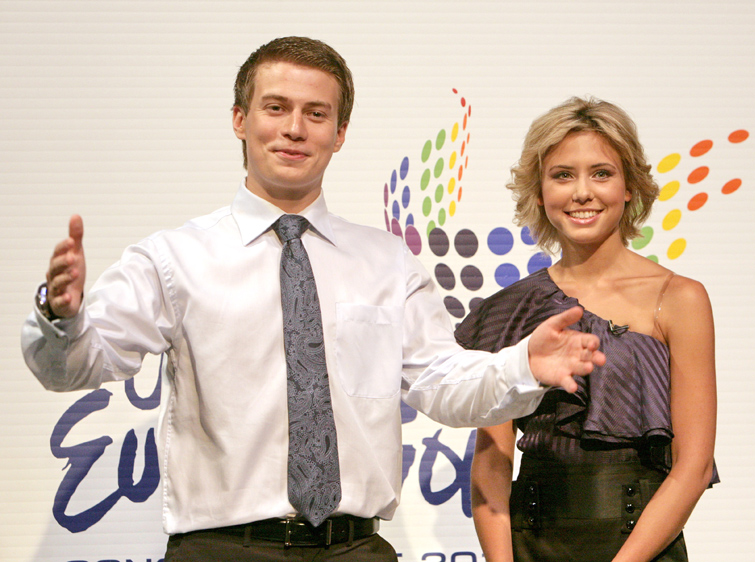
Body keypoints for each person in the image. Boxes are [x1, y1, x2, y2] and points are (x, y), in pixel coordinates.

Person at [21, 38, 605, 561]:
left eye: (316, 114)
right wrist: (61, 317)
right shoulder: (173, 259)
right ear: (239, 119)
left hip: (356, 549)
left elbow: (443, 383)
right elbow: (76, 365)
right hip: (222, 552)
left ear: (340, 133)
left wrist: (522, 365)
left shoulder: (387, 262)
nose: (295, 129)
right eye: (276, 108)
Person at [461, 97, 718, 562]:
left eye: (601, 173)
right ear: (538, 191)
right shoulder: (508, 310)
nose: (582, 192)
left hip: (643, 549)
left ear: (629, 187)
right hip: (532, 545)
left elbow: (693, 466)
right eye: (562, 175)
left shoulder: (680, 299)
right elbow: (492, 465)